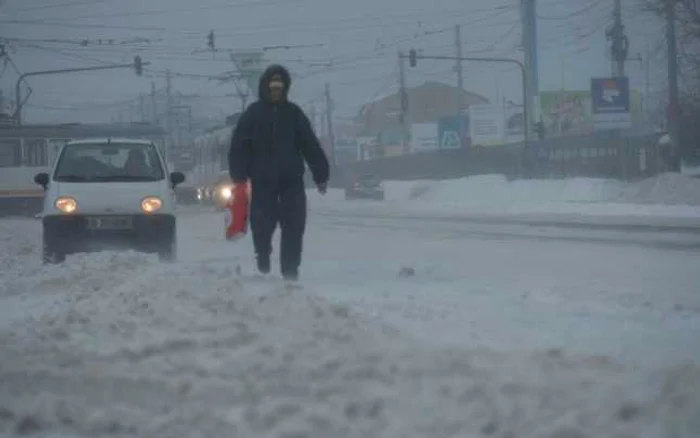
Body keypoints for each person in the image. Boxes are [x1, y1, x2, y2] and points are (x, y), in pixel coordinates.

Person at [228, 64, 330, 281]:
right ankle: (263, 257)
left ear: (285, 88)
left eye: (280, 86)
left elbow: (309, 145)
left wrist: (321, 174)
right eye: (272, 86)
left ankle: (290, 272)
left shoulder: (294, 114)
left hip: (291, 184)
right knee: (262, 226)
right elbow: (239, 146)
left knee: (294, 228)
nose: (276, 90)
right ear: (266, 87)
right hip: (263, 184)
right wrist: (239, 175)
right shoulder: (253, 114)